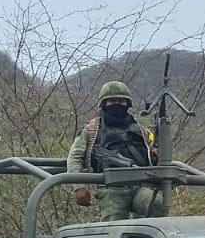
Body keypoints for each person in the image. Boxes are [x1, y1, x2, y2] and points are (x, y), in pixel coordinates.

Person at [67, 81, 165, 219]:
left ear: (127, 104)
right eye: (112, 101)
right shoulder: (92, 129)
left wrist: (156, 155)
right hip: (111, 188)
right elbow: (75, 157)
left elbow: (153, 152)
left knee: (157, 205)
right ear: (104, 104)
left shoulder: (140, 129)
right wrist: (78, 186)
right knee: (114, 226)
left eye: (121, 101)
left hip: (140, 185)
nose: (117, 104)